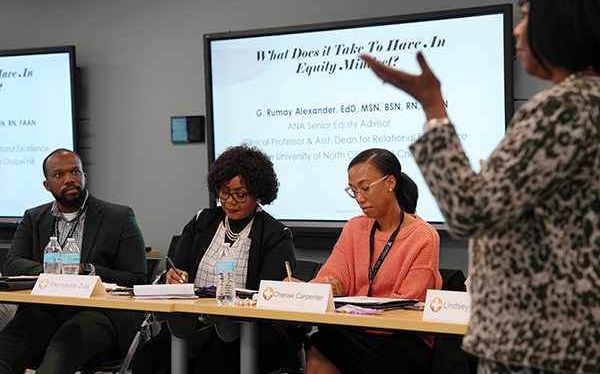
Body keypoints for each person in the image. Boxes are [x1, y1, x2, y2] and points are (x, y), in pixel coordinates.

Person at [359, 0, 600, 373]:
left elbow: (470, 210)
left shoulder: (562, 108)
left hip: (538, 340)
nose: (518, 32)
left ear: (562, 20)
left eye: (526, 16)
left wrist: (433, 107)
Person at [133, 145, 302, 374]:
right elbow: (178, 272)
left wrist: (207, 334)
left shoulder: (276, 236)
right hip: (195, 321)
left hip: (252, 328)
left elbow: (266, 303)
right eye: (224, 192)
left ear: (259, 193)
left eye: (240, 194)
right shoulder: (201, 222)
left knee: (211, 363)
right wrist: (173, 278)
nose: (230, 201)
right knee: (150, 357)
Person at [0, 148, 147, 373]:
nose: (69, 179)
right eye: (59, 175)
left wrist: (86, 270)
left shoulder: (119, 217)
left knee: (57, 360)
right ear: (47, 185)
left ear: (84, 177)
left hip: (99, 310)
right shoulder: (33, 217)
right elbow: (12, 263)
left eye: (75, 172)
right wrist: (53, 271)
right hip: (46, 308)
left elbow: (137, 278)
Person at [302, 148, 442, 374]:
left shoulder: (424, 236)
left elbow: (403, 307)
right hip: (356, 332)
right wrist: (309, 290)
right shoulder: (355, 228)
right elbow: (327, 281)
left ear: (390, 183)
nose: (359, 198)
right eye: (353, 191)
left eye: (365, 188)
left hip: (403, 340)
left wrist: (346, 306)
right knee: (323, 342)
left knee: (326, 342)